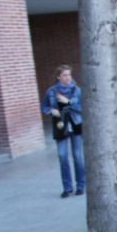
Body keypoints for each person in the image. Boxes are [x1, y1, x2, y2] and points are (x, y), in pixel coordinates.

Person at [41, 64, 85, 198]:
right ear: (58, 77)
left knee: (77, 156)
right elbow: (43, 106)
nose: (68, 78)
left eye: (69, 75)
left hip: (75, 124)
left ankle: (80, 186)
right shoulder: (51, 91)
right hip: (60, 126)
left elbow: (82, 108)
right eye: (65, 75)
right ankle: (67, 188)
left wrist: (69, 102)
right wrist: (50, 111)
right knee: (62, 156)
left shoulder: (76, 90)